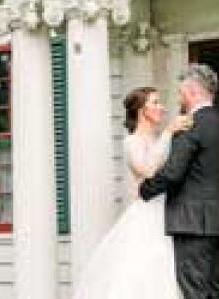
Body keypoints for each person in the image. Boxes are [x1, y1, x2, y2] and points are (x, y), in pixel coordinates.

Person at [70, 87, 190, 299]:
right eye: (155, 102)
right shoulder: (131, 141)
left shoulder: (161, 139)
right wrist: (169, 133)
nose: (162, 107)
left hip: (168, 211)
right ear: (142, 110)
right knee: (143, 272)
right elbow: (147, 169)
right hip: (147, 216)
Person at [140, 64, 219, 299]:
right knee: (214, 292)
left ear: (193, 91)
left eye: (181, 91)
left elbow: (173, 173)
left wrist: (146, 189)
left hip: (193, 224)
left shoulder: (191, 125)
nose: (179, 97)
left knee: (194, 293)